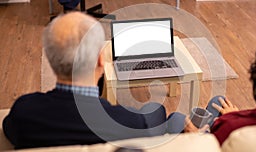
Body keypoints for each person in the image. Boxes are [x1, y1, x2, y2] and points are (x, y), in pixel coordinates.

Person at [2, 12, 196, 149]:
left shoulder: (22, 112)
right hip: (140, 121)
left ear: (52, 60)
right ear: (100, 60)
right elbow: (148, 129)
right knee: (159, 111)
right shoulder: (129, 123)